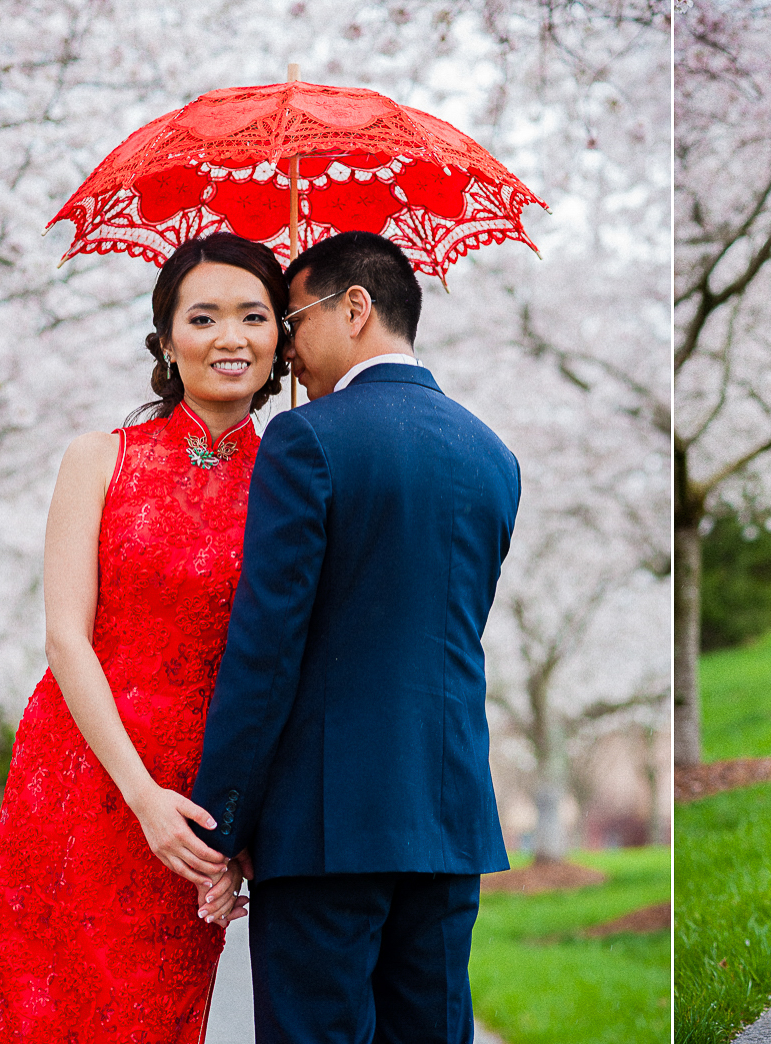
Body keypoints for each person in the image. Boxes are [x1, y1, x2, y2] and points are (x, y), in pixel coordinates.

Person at [188, 230, 519, 1044]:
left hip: (326, 824)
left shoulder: (308, 441)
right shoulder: (493, 454)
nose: (286, 347)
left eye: (293, 317)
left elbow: (266, 652)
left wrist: (222, 825)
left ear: (356, 308)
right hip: (447, 816)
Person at [0, 233, 291, 1043]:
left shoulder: (296, 483)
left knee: (155, 1018)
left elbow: (290, 666)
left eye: (255, 317)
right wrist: (139, 794)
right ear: (166, 339)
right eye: (206, 316)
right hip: (83, 777)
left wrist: (237, 827)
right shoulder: (98, 459)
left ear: (281, 338)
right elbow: (65, 640)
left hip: (196, 810)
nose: (232, 338)